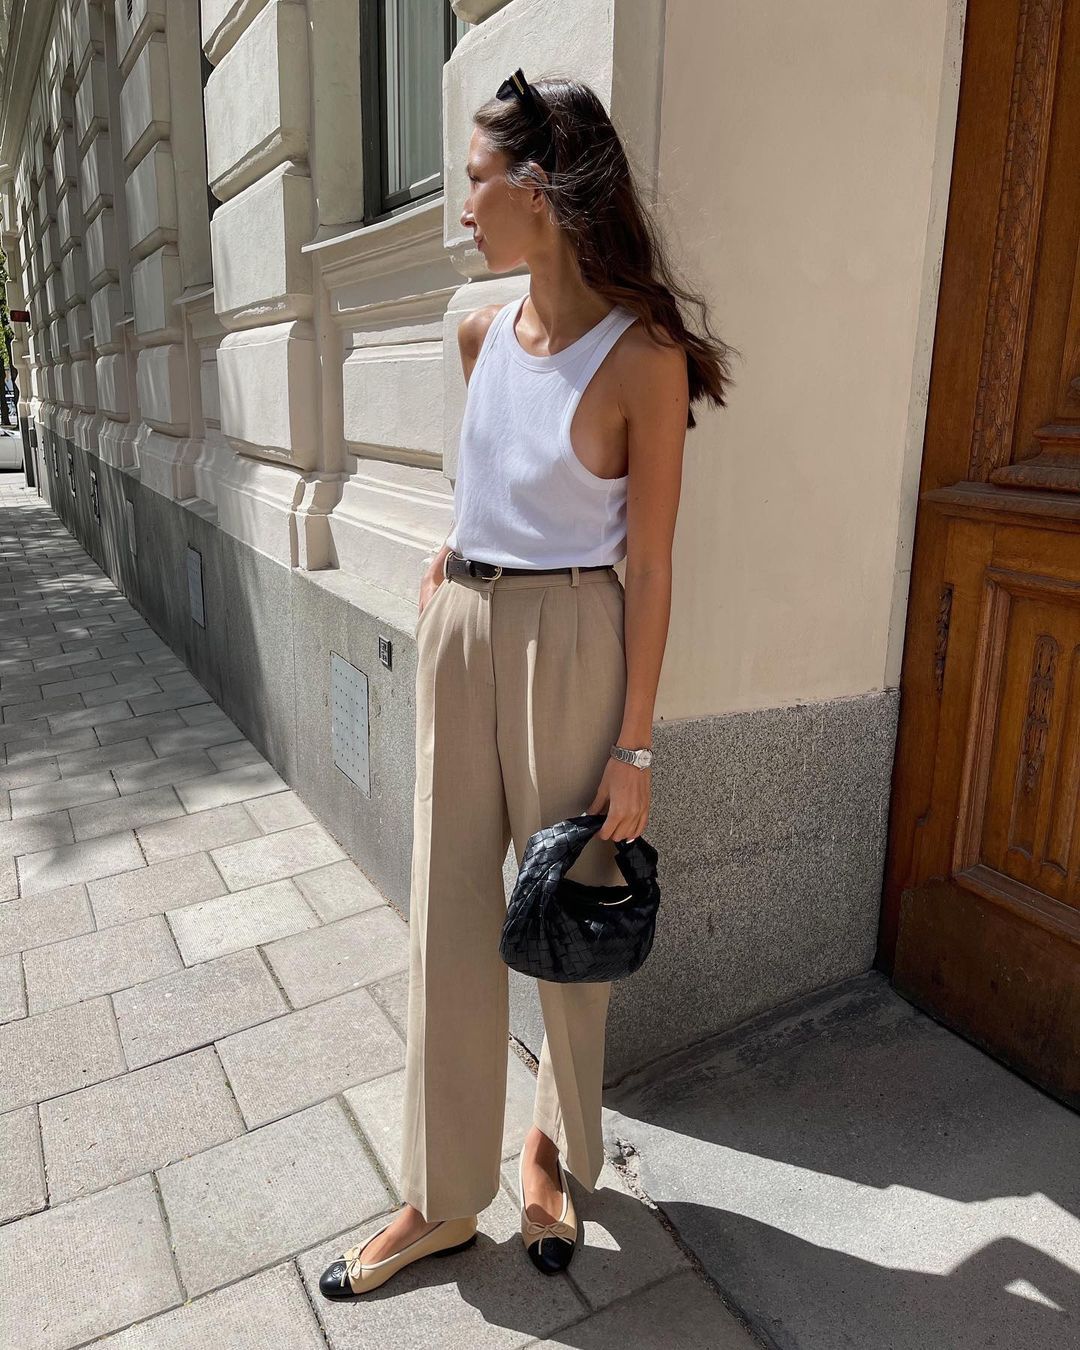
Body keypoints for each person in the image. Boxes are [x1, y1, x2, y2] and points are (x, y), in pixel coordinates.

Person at [320, 67, 734, 1301]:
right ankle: (441, 1197)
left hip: (577, 641)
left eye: (477, 182)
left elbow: (652, 565)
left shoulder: (644, 358)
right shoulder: (478, 332)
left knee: (566, 917)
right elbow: (494, 471)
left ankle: (547, 1153)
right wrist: (455, 548)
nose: (463, 208)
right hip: (465, 629)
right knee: (450, 915)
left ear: (539, 192)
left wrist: (636, 746)